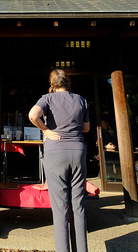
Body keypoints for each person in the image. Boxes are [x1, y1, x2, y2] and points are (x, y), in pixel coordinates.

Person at [28, 69, 90, 252]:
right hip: (78, 151)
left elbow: (33, 115)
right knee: (78, 205)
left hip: (56, 153)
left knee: (60, 207)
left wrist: (46, 130)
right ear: (68, 82)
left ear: (52, 84)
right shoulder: (81, 100)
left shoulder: (47, 98)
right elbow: (85, 128)